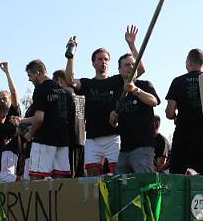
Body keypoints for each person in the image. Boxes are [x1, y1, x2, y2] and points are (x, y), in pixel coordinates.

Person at [65, 25, 145, 176]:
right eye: (100, 59)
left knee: (119, 176)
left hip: (114, 136)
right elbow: (69, 80)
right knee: (93, 178)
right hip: (93, 139)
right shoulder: (87, 83)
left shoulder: (117, 80)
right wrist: (71, 56)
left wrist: (131, 44)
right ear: (93, 63)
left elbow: (139, 70)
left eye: (106, 59)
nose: (103, 62)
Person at [19, 59, 72, 179]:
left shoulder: (41, 89)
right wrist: (23, 121)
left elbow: (39, 118)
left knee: (37, 179)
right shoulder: (64, 92)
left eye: (30, 75)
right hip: (63, 141)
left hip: (44, 140)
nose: (29, 79)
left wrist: (30, 134)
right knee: (60, 180)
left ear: (38, 73)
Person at [109, 53, 160, 174]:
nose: (131, 67)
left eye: (133, 64)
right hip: (125, 149)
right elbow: (113, 122)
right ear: (120, 70)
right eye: (127, 65)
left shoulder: (144, 85)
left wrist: (136, 90)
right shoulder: (117, 93)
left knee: (144, 184)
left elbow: (154, 101)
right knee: (121, 185)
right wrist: (112, 118)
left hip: (143, 148)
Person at [165, 48, 203, 175]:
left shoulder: (178, 81)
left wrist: (175, 115)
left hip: (183, 134)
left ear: (188, 62)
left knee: (177, 176)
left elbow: (169, 113)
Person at [53, 69, 85, 177]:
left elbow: (60, 117)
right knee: (80, 175)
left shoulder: (62, 94)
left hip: (68, 140)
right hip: (81, 140)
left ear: (59, 80)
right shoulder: (81, 95)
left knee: (68, 176)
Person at [0, 62, 22, 182]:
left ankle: (24, 181)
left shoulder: (13, 110)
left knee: (6, 177)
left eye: (4, 98)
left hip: (10, 150)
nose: (1, 101)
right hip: (3, 151)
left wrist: (7, 72)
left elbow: (14, 92)